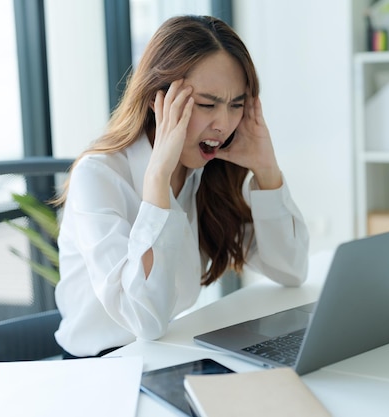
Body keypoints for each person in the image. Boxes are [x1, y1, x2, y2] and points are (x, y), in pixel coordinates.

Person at [54, 15, 310, 358]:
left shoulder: (208, 172)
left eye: (236, 105)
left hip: (166, 354)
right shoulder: (98, 176)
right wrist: (158, 180)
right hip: (99, 368)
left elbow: (290, 270)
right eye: (207, 104)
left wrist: (266, 169)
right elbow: (143, 320)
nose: (223, 124)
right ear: (156, 100)